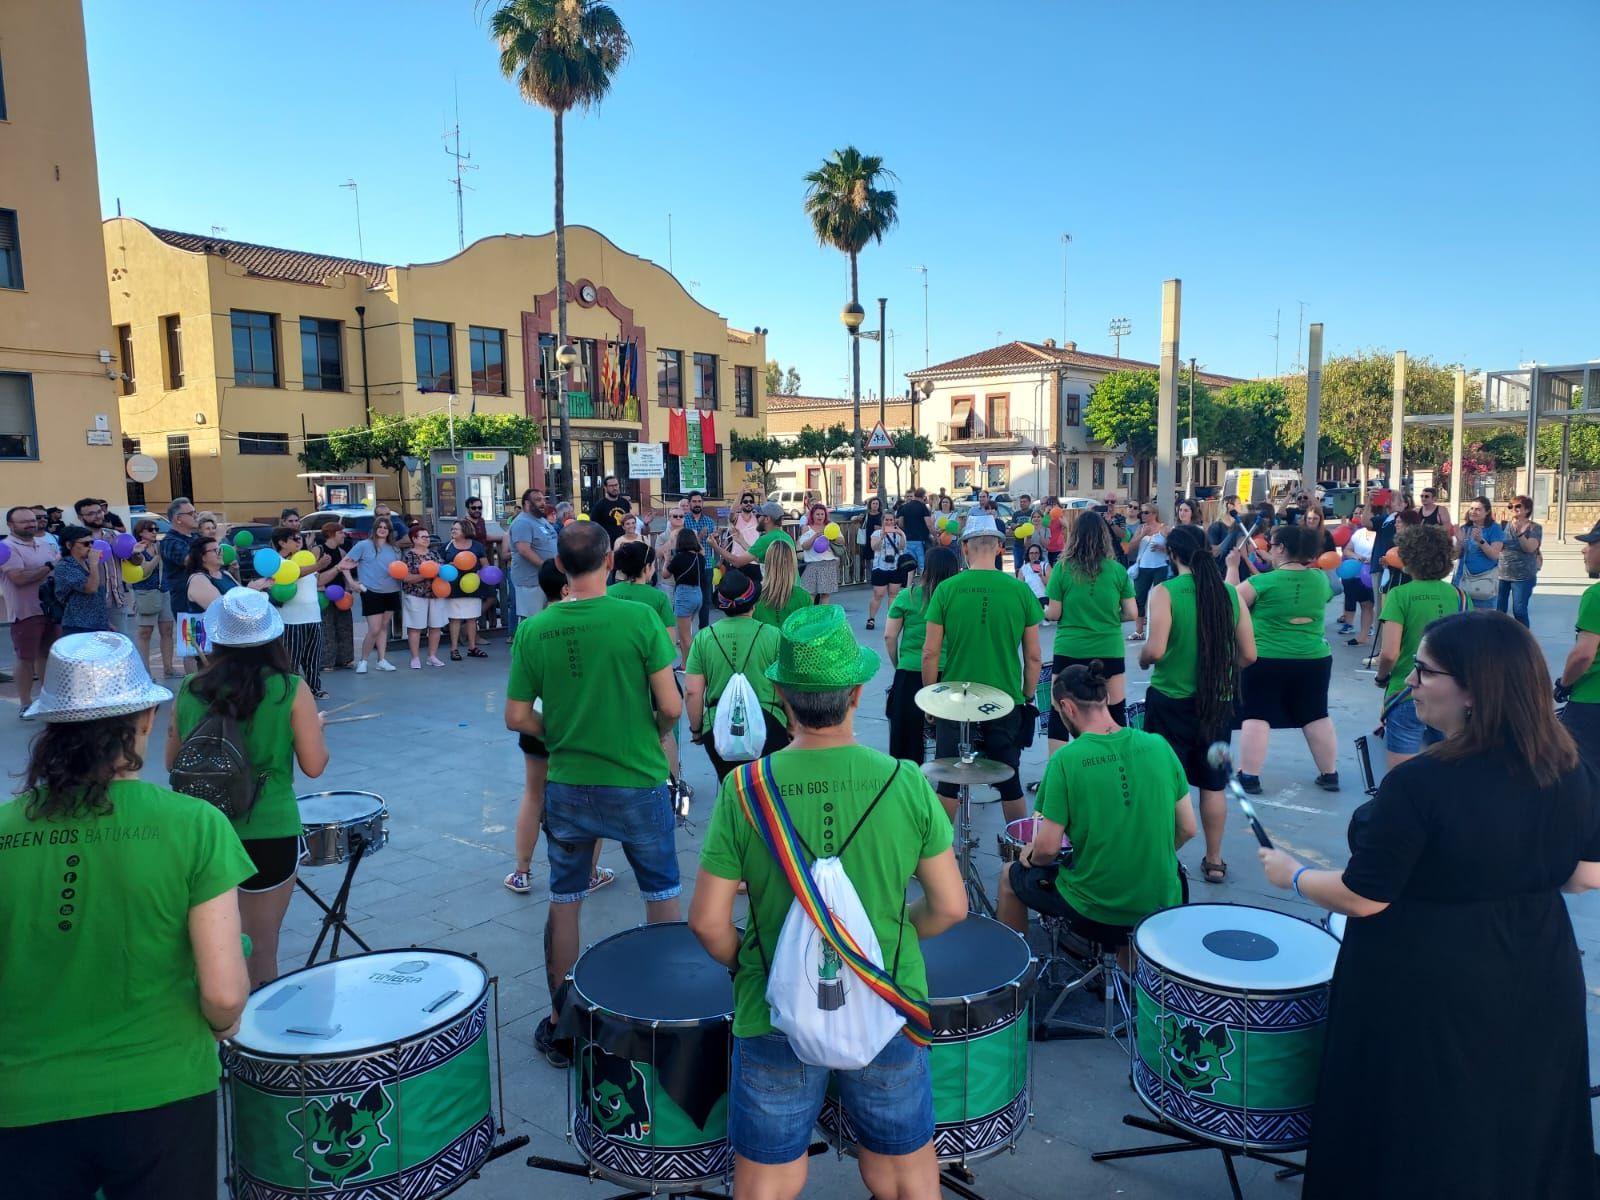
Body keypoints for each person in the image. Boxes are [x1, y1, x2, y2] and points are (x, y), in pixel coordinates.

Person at [1257, 610, 1600, 1198]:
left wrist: (1294, 874)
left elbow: (1363, 897)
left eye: (1423, 671)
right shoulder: (1568, 765)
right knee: (1514, 1107)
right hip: (1536, 962)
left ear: (1474, 689)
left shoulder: (1421, 783)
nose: (1409, 682)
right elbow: (1584, 877)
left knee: (1421, 1118)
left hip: (1426, 976)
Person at [688, 604, 967, 1200]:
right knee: (901, 1174)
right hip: (886, 994)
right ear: (858, 693)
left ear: (782, 697)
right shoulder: (905, 781)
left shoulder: (744, 789)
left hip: (772, 1007)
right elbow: (949, 907)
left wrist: (747, 961)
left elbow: (708, 922)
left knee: (769, 1181)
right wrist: (892, 928)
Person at [0, 632, 252, 1199]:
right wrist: (224, 1026)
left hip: (21, 1099)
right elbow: (224, 993)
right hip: (162, 1092)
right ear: (146, 716)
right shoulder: (194, 825)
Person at [504, 521, 682, 1067]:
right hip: (637, 779)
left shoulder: (536, 629)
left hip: (568, 783)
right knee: (661, 894)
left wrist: (559, 733)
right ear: (608, 562)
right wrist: (643, 732)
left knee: (565, 899)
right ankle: (667, 1020)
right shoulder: (640, 618)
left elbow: (516, 716)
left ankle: (561, 1023)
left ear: (560, 565)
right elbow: (672, 707)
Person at [168, 589, 329, 989]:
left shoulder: (191, 687)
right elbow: (314, 765)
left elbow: (173, 762)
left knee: (209, 946)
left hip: (202, 830)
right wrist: (312, 729)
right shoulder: (291, 688)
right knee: (261, 947)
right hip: (269, 829)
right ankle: (257, 1042)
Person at [996, 662, 1195, 969]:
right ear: (1104, 699)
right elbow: (1187, 829)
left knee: (1009, 876)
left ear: (1066, 707)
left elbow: (1048, 848)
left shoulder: (1066, 759)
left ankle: (1014, 976)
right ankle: (1129, 976)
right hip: (1163, 898)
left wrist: (1031, 857)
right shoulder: (1158, 745)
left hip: (1097, 909)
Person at [1139, 523, 1256, 886]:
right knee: (1213, 784)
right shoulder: (1229, 593)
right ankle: (1215, 859)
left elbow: (1155, 649)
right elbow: (1249, 655)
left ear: (1172, 555)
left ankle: (1161, 853)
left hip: (1170, 700)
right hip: (1216, 702)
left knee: (1163, 783)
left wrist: (1143, 659)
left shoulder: (1165, 592)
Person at [923, 512, 1042, 825]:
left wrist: (929, 698)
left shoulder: (946, 590)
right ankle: (1018, 853)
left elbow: (930, 652)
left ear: (964, 548)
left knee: (948, 781)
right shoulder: (1020, 591)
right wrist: (1026, 695)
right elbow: (1033, 657)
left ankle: (939, 858)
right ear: (1000, 549)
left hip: (954, 698)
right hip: (1004, 697)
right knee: (1009, 780)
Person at [1226, 524, 1339, 793]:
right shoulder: (1320, 579)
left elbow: (1228, 601)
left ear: (1282, 548)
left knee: (1256, 713)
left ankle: (1250, 776)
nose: (1268, 549)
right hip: (1314, 658)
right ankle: (1329, 773)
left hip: (1266, 657)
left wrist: (1232, 567)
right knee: (1316, 714)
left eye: (1272, 545)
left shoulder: (1262, 582)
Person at [1043, 510, 1136, 761]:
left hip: (1070, 648)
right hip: (1108, 648)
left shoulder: (1063, 569)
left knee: (1059, 711)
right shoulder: (1117, 571)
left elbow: (1053, 613)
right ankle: (1115, 767)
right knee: (1114, 711)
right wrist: (1105, 616)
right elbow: (1131, 612)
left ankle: (1058, 773)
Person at [1374, 524, 1467, 770]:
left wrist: (1381, 677)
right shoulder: (1459, 596)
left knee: (1400, 769)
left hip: (1407, 691)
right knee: (1447, 764)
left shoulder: (1399, 595)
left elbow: (1389, 653)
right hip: (1449, 693)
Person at [685, 569, 790, 781]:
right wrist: (794, 725)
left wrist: (697, 730)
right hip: (769, 723)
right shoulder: (773, 635)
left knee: (731, 787)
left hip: (718, 726)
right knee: (767, 791)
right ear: (754, 602)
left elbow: (692, 692)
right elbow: (787, 686)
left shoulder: (704, 637)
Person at [884, 546, 959, 765]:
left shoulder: (906, 596)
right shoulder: (956, 599)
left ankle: (908, 781)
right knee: (950, 735)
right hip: (949, 670)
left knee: (906, 738)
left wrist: (899, 664)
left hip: (910, 670)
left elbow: (889, 637)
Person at [1, 504, 60, 714]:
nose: (31, 524)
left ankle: (45, 699)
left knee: (47, 655)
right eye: (24, 521)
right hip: (26, 612)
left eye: (33, 520)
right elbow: (18, 578)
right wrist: (49, 567)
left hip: (50, 610)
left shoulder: (44, 544)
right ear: (10, 525)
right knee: (26, 658)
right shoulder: (7, 547)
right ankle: (25, 704)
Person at [1556, 521, 1600, 768]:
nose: (1584, 551)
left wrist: (1564, 684)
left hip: (1591, 701)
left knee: (1577, 770)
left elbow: (1583, 655)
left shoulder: (1595, 596)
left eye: (1591, 544)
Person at [265, 526, 325, 699]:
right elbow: (291, 574)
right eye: (295, 539)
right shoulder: (277, 561)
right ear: (282, 543)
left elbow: (315, 580)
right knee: (292, 657)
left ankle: (314, 687)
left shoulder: (302, 559)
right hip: (291, 619)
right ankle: (290, 690)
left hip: (313, 616)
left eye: (300, 538)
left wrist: (335, 569)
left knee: (313, 656)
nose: (300, 541)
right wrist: (317, 565)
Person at [342, 515, 402, 672]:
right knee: (374, 628)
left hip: (392, 590)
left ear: (389, 531)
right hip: (371, 591)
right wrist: (352, 582)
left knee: (383, 626)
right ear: (374, 529)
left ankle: (381, 660)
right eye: (380, 527)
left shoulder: (395, 549)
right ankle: (363, 660)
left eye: (385, 527)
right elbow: (344, 565)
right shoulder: (363, 545)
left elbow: (399, 570)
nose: (382, 530)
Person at [127, 518, 178, 679]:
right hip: (146, 593)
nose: (155, 532)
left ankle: (169, 667)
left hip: (164, 590)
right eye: (151, 529)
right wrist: (157, 557)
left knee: (167, 630)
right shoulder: (137, 551)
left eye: (156, 529)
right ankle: (145, 671)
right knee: (145, 632)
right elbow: (144, 572)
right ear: (141, 532)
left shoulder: (159, 546)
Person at [509, 487, 558, 625]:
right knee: (531, 620)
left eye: (544, 499)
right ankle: (524, 646)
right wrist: (546, 566)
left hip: (545, 578)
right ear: (527, 504)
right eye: (538, 500)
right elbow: (524, 550)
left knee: (545, 619)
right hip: (530, 581)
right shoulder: (522, 522)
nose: (543, 503)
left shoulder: (541, 520)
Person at [399, 526, 447, 668]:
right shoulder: (408, 556)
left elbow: (442, 571)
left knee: (436, 625)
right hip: (416, 595)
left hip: (436, 594)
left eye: (428, 537)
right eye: (423, 537)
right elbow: (405, 577)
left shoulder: (434, 554)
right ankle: (415, 657)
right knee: (415, 626)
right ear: (414, 539)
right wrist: (424, 575)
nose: (427, 539)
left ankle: (432, 656)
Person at [51, 525, 111, 636]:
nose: (91, 547)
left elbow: (97, 596)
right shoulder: (66, 566)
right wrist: (94, 564)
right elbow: (91, 588)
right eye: (86, 544)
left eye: (92, 543)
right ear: (69, 545)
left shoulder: (86, 563)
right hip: (78, 625)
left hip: (97, 624)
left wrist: (107, 622)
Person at [442, 519, 488, 661]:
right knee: (454, 618)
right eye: (452, 529)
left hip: (472, 585)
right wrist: (448, 565)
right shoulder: (447, 546)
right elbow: (440, 565)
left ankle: (472, 647)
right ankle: (454, 649)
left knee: (472, 618)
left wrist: (480, 575)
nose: (453, 531)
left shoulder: (477, 546)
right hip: (454, 586)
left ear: (465, 531)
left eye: (456, 529)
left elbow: (485, 565)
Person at [314, 520, 356, 671]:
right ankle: (326, 662)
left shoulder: (342, 552)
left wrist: (348, 589)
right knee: (327, 628)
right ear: (331, 534)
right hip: (324, 594)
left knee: (345, 626)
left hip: (340, 595)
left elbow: (346, 573)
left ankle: (345, 659)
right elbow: (315, 574)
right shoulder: (318, 550)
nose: (343, 535)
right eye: (340, 533)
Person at [1495, 494, 1542, 627]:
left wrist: (1520, 533)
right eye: (1511, 506)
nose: (1513, 508)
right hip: (1501, 574)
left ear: (1527, 509)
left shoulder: (1534, 528)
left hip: (1523, 576)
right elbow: (1498, 546)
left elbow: (1530, 548)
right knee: (1499, 611)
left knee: (1519, 611)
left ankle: (1525, 641)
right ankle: (1499, 637)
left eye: (1517, 506)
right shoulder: (1503, 525)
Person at [1126, 502, 1169, 641]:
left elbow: (1174, 548)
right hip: (1143, 567)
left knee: (1159, 599)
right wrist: (1141, 535)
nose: (1142, 515)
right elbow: (1130, 547)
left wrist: (1162, 548)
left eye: (1146, 513)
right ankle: (1139, 631)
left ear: (1154, 514)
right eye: (1142, 513)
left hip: (1160, 567)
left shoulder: (1164, 529)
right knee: (1139, 598)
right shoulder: (1141, 528)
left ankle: (1158, 630)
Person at [666, 526, 707, 664]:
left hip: (684, 594)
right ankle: (685, 663)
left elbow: (665, 575)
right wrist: (697, 539)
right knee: (688, 631)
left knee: (684, 636)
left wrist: (667, 559)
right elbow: (702, 549)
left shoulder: (679, 558)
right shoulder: (700, 557)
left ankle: (689, 665)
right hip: (698, 594)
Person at [1338, 504, 1377, 640]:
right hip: (1354, 571)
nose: (1361, 516)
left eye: (1365, 514)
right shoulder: (1359, 533)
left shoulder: (1381, 533)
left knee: (1367, 603)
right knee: (1353, 598)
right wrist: (1357, 557)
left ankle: (1367, 630)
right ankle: (1351, 626)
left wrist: (1373, 559)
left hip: (1370, 573)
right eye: (1360, 513)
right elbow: (1347, 550)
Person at [183, 537, 249, 618]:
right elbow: (221, 611)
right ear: (202, 557)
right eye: (216, 551)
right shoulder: (198, 580)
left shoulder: (225, 573)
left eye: (220, 550)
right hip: (209, 629)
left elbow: (240, 593)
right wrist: (252, 589)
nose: (221, 553)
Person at [753, 540, 812, 629]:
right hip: (793, 643)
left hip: (764, 642)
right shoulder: (803, 597)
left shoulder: (754, 597)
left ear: (768, 563)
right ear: (792, 564)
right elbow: (809, 632)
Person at [684, 490, 719, 630]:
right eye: (694, 501)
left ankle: (704, 631)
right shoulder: (684, 520)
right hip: (690, 566)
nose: (697, 504)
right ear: (689, 503)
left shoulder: (709, 521)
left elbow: (715, 545)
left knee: (706, 601)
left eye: (699, 501)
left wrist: (715, 538)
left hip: (707, 566)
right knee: (690, 600)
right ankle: (687, 631)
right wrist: (699, 536)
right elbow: (684, 544)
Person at [866, 511, 908, 630]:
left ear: (894, 521)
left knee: (893, 594)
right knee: (878, 594)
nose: (889, 522)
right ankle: (871, 618)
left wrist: (902, 534)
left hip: (895, 566)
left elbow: (902, 547)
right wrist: (882, 536)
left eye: (891, 520)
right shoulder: (877, 533)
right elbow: (874, 547)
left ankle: (891, 619)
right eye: (886, 520)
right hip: (880, 567)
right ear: (882, 521)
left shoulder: (898, 533)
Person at [799, 502, 842, 603]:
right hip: (812, 563)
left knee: (825, 593)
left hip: (828, 563)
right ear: (812, 515)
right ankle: (810, 615)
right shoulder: (806, 528)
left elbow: (842, 541)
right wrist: (815, 536)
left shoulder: (830, 526)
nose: (820, 516)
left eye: (822, 514)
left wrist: (831, 538)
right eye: (818, 514)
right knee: (810, 593)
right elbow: (805, 546)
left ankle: (823, 615)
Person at [899, 487, 932, 572]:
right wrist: (935, 535)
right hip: (921, 540)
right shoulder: (923, 508)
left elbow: (900, 523)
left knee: (910, 564)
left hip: (908, 539)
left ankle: (909, 584)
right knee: (923, 565)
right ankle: (923, 584)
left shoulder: (904, 507)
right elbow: (929, 524)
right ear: (924, 496)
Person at [592, 475, 631, 543]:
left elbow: (628, 522)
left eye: (616, 485)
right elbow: (594, 528)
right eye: (611, 486)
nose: (615, 488)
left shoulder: (625, 503)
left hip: (624, 542)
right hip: (608, 543)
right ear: (605, 488)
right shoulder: (599, 506)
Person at [860, 495, 885, 582]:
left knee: (878, 558)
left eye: (876, 504)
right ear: (870, 505)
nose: (875, 505)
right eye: (873, 503)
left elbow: (886, 526)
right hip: (867, 539)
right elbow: (859, 521)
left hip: (878, 539)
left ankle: (877, 576)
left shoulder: (882, 515)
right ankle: (869, 577)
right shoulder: (866, 515)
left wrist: (880, 529)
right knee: (868, 559)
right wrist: (856, 518)